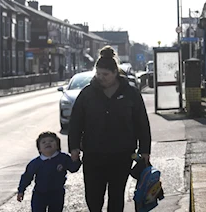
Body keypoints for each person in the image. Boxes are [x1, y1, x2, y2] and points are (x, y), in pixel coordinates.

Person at [68, 46, 152, 212]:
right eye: (98, 74)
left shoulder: (131, 94)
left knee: (116, 196)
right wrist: (74, 147)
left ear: (115, 73)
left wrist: (145, 150)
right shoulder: (87, 94)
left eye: (105, 74)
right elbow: (76, 122)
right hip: (93, 155)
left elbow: (142, 123)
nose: (101, 78)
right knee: (93, 197)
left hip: (121, 154)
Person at [17, 131, 81, 212]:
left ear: (57, 145)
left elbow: (73, 168)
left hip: (57, 193)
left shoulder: (63, 158)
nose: (47, 143)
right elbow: (27, 177)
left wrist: (76, 159)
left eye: (51, 141)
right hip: (39, 194)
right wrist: (21, 190)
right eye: (43, 142)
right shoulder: (36, 163)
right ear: (39, 148)